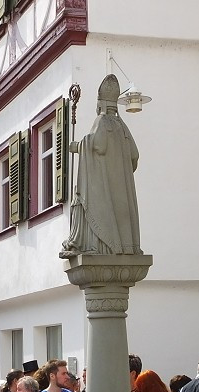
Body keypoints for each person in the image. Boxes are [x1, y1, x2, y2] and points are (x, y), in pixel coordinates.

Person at [59, 73, 140, 258]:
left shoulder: (102, 121)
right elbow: (135, 155)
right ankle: (125, 246)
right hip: (121, 190)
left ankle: (97, 245)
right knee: (120, 218)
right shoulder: (123, 126)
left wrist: (77, 146)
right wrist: (123, 170)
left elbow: (98, 145)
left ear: (99, 104)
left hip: (104, 187)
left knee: (85, 200)